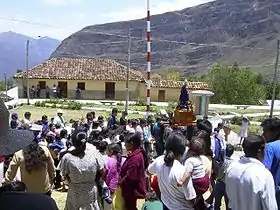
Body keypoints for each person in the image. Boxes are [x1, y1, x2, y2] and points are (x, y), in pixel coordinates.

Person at [226, 135, 277, 210]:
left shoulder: (231, 168)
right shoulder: (264, 174)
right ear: (259, 152)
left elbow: (229, 197)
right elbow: (270, 206)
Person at [148, 131, 196, 210]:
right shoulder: (183, 171)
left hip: (166, 206)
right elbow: (191, 198)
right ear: (182, 150)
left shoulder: (159, 161)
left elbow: (147, 172)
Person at [60, 129, 105, 210]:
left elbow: (64, 175)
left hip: (74, 191)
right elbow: (103, 172)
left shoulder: (67, 158)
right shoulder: (95, 155)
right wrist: (94, 179)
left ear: (73, 143)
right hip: (90, 190)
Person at [119, 133, 148, 210]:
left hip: (134, 193)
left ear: (131, 143)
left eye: (125, 143)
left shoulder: (135, 158)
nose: (124, 145)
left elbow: (131, 177)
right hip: (133, 192)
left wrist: (120, 182)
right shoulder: (137, 153)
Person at [261, 118, 280, 208]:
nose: (263, 134)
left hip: (273, 194)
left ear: (276, 132)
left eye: (266, 131)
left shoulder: (270, 147)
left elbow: (265, 171)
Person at [214, 144, 234, 210]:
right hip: (228, 185)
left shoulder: (220, 160)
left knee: (217, 203)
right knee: (228, 204)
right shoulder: (233, 163)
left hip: (219, 183)